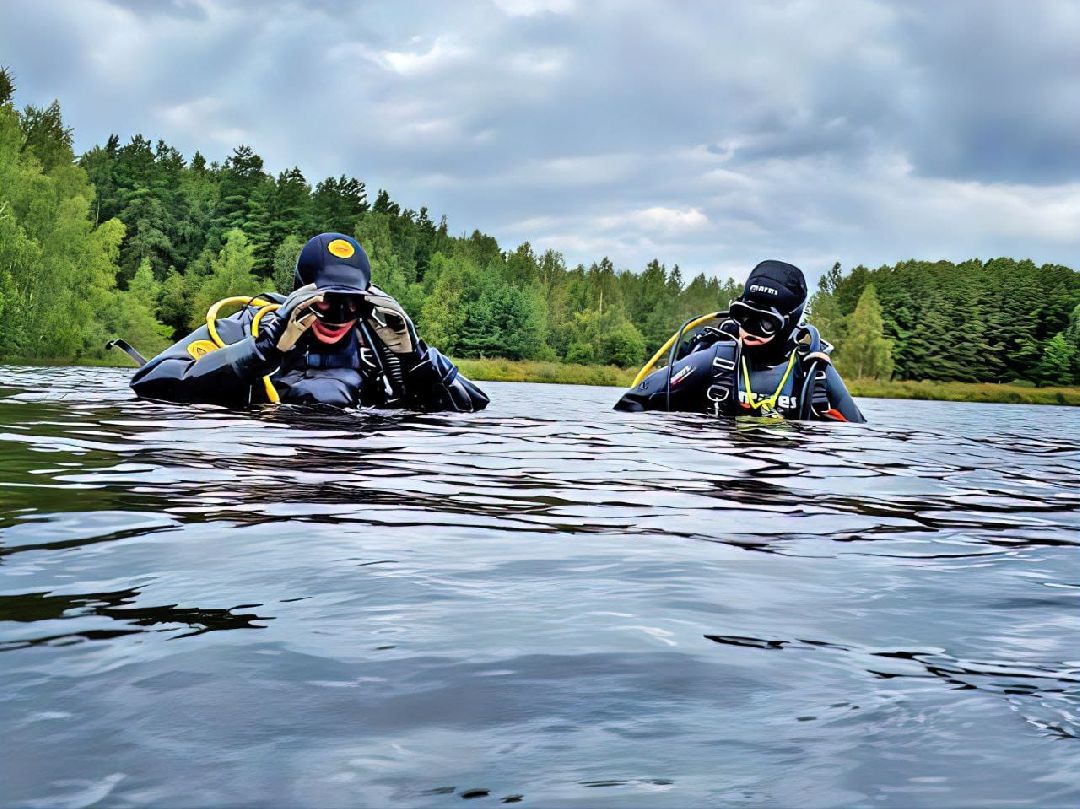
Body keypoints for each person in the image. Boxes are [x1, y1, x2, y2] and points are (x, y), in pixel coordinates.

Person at [131, 232, 489, 412]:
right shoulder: (251, 328)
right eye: (326, 302)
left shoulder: (384, 342)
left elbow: (476, 406)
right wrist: (263, 350)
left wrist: (416, 358)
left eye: (352, 305)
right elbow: (149, 383)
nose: (338, 317)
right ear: (299, 295)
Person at [614, 260, 865, 422]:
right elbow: (632, 401)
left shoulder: (814, 371)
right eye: (744, 317)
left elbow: (857, 433)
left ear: (789, 322)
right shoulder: (717, 359)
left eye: (766, 323)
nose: (750, 331)